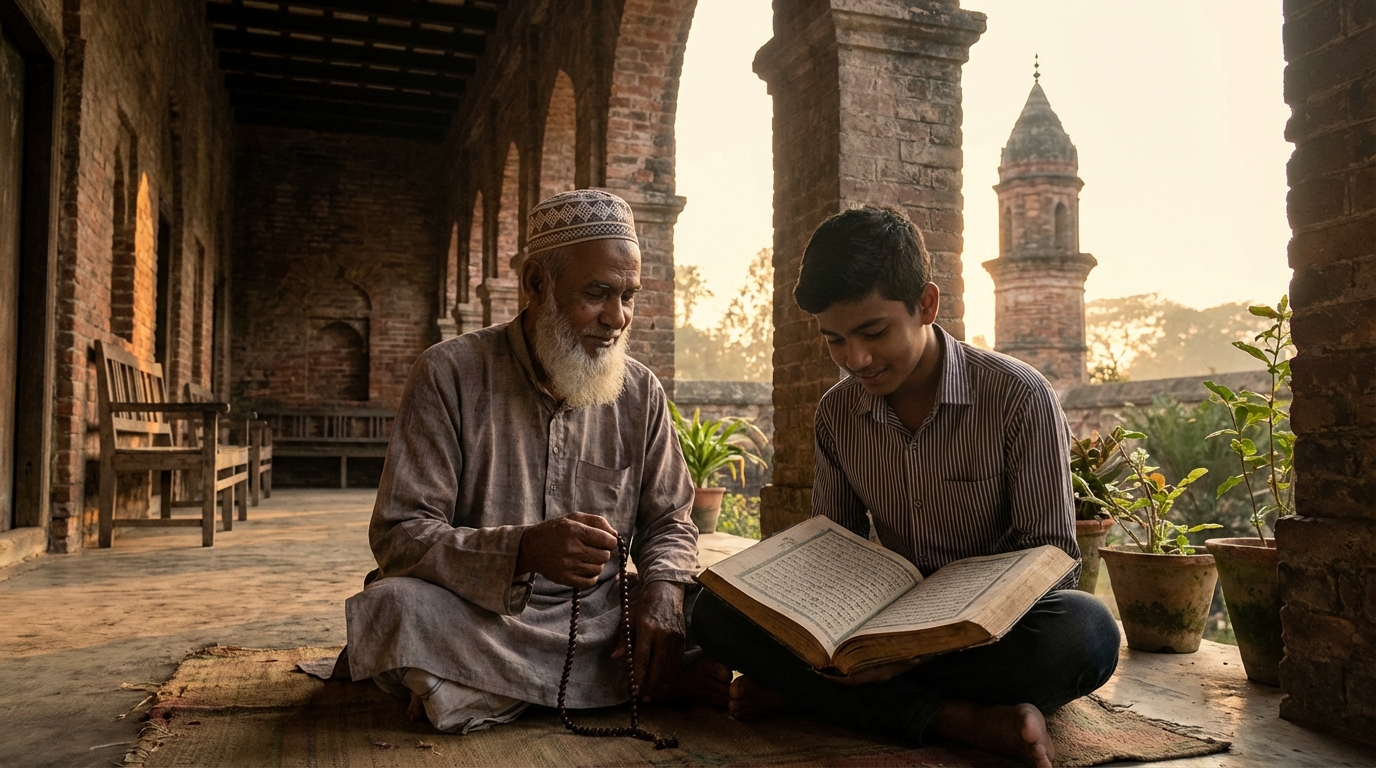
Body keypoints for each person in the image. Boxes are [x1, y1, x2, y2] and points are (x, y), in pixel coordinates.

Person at [692, 205, 1120, 768]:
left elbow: (1055, 558)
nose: (856, 360)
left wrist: (914, 655)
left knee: (1086, 634)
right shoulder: (837, 414)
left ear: (926, 304)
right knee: (711, 614)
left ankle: (817, 695)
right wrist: (832, 629)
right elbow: (833, 548)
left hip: (986, 634)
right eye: (835, 341)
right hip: (873, 629)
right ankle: (960, 720)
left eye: (873, 333)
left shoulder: (1018, 398)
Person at [341, 189, 707, 734]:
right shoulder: (448, 374)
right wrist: (523, 549)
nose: (618, 317)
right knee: (392, 607)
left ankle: (473, 693)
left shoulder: (641, 393)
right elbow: (401, 535)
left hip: (601, 616)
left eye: (629, 295)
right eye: (598, 293)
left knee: (710, 611)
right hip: (480, 613)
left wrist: (663, 592)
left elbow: (671, 521)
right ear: (536, 284)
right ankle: (597, 688)